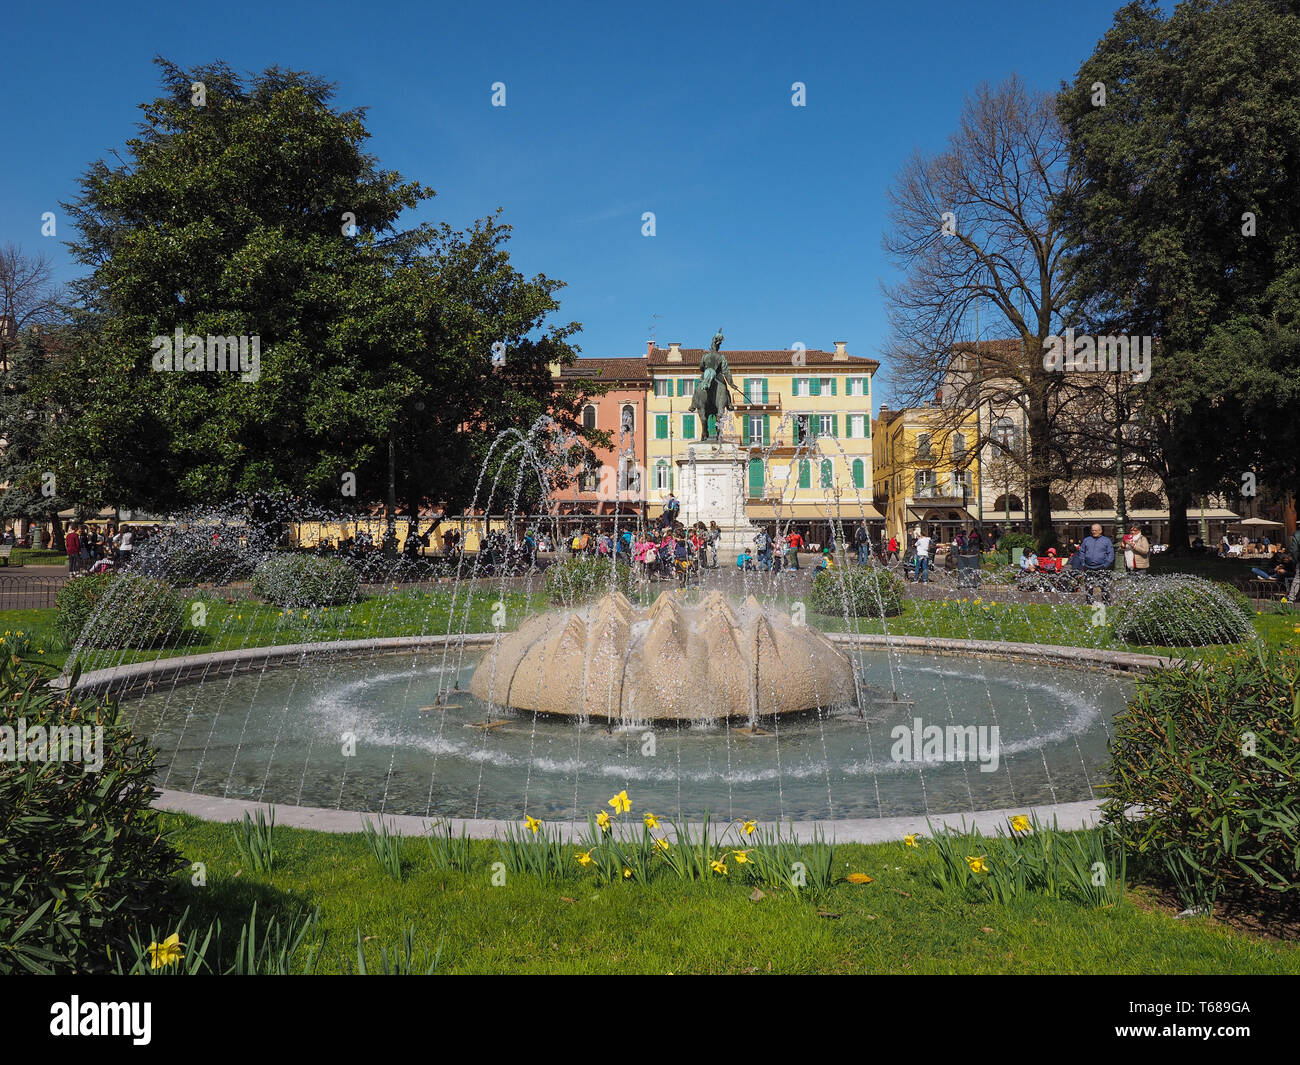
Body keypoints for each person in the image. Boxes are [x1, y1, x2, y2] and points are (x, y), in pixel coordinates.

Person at [1079, 523, 1116, 603]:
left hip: (1102, 566)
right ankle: (1089, 602)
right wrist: (1083, 562)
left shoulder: (1106, 540)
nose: (1094, 532)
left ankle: (1106, 602)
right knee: (1088, 586)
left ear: (1100, 531)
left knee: (1104, 586)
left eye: (1096, 530)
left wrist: (1106, 564)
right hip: (1088, 566)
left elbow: (1111, 553)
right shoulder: (1086, 540)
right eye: (1093, 530)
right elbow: (1082, 552)